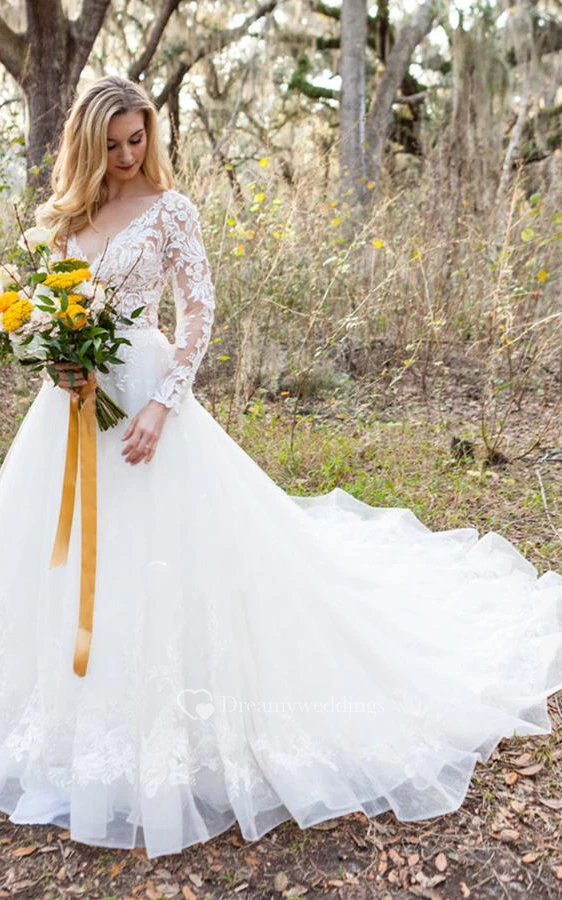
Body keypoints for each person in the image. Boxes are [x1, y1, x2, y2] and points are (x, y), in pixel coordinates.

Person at [0, 75, 561, 861]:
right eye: (114, 144)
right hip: (72, 410)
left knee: (170, 557)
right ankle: (71, 713)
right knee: (54, 560)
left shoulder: (170, 210)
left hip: (148, 397)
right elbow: (41, 309)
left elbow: (199, 313)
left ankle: (179, 724)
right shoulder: (61, 221)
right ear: (86, 146)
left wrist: (162, 402)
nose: (128, 156)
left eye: (138, 139)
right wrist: (54, 358)